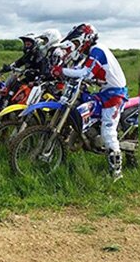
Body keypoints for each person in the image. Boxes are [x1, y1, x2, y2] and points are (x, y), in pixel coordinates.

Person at [51, 23, 128, 180]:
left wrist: (62, 71)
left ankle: (116, 173)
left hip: (115, 95)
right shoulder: (90, 53)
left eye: (77, 43)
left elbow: (85, 72)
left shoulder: (97, 50)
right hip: (105, 92)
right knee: (85, 110)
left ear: (86, 39)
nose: (76, 47)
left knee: (108, 132)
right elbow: (84, 71)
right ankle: (87, 139)